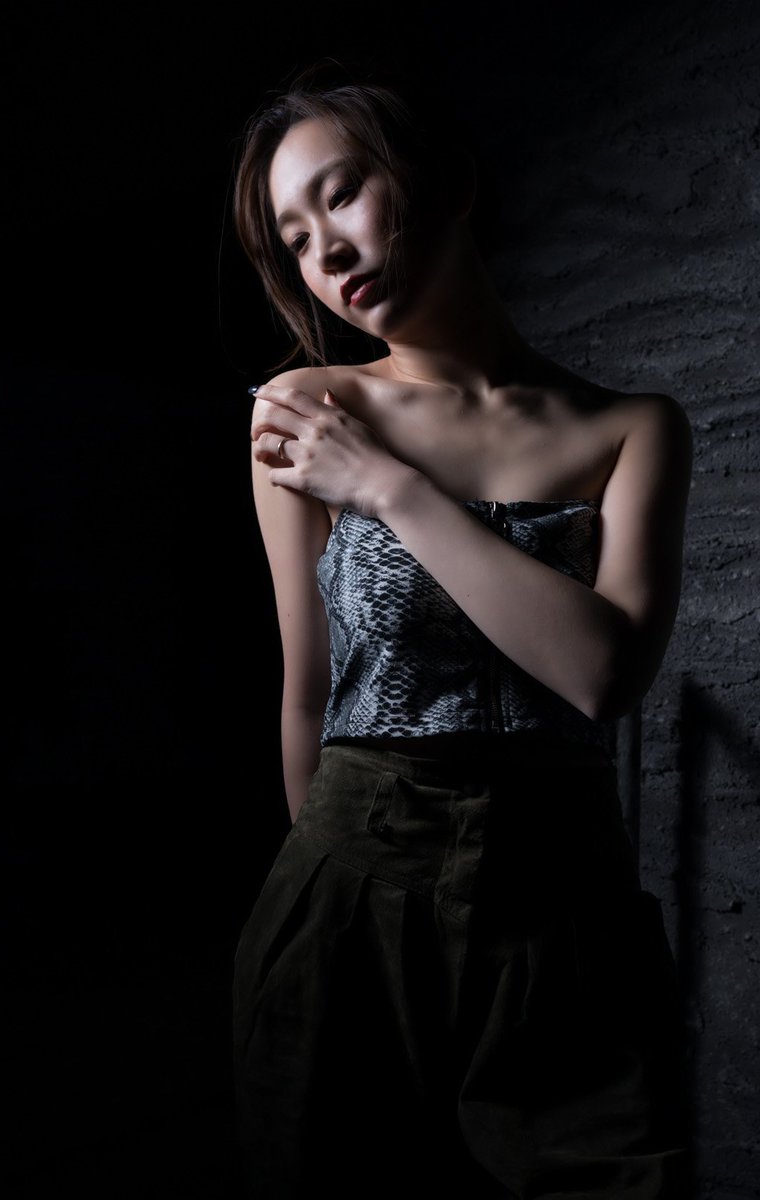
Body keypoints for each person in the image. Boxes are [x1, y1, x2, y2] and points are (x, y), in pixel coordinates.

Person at [229, 59, 693, 1199]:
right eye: (295, 239)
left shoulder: (633, 428)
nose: (327, 253)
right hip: (350, 880)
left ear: (446, 181)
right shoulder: (304, 408)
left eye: (342, 194)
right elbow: (307, 691)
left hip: (564, 903)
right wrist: (326, 906)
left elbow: (601, 673)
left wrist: (389, 490)